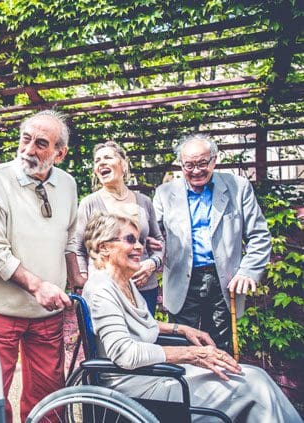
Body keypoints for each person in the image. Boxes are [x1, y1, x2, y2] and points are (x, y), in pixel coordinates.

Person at [82, 211, 301, 422]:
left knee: (256, 376)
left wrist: (180, 329)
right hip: (136, 385)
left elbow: (139, 323)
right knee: (252, 386)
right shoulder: (102, 289)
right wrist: (191, 354)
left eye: (140, 240)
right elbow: (125, 353)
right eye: (130, 240)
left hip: (155, 373)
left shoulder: (125, 283)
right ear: (104, 247)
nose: (139, 247)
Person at [0, 110, 84, 422]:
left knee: (49, 401)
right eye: (26, 139)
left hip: (48, 313)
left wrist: (77, 277)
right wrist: (38, 286)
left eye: (41, 144)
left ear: (59, 154)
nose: (28, 149)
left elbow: (70, 239)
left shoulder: (68, 185)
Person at [153, 134, 272, 351]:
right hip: (181, 280)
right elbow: (155, 238)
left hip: (223, 281)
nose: (196, 170)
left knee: (219, 347)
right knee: (182, 348)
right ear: (181, 164)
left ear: (214, 160)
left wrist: (247, 271)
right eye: (189, 165)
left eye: (202, 163)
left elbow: (260, 235)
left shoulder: (238, 187)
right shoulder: (164, 193)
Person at [75, 141, 164, 314]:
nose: (101, 163)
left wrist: (152, 264)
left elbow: (159, 241)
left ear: (124, 164)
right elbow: (78, 248)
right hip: (107, 289)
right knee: (111, 338)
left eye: (108, 157)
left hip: (144, 288)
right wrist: (86, 282)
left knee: (146, 336)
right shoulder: (89, 204)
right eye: (97, 160)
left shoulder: (144, 201)